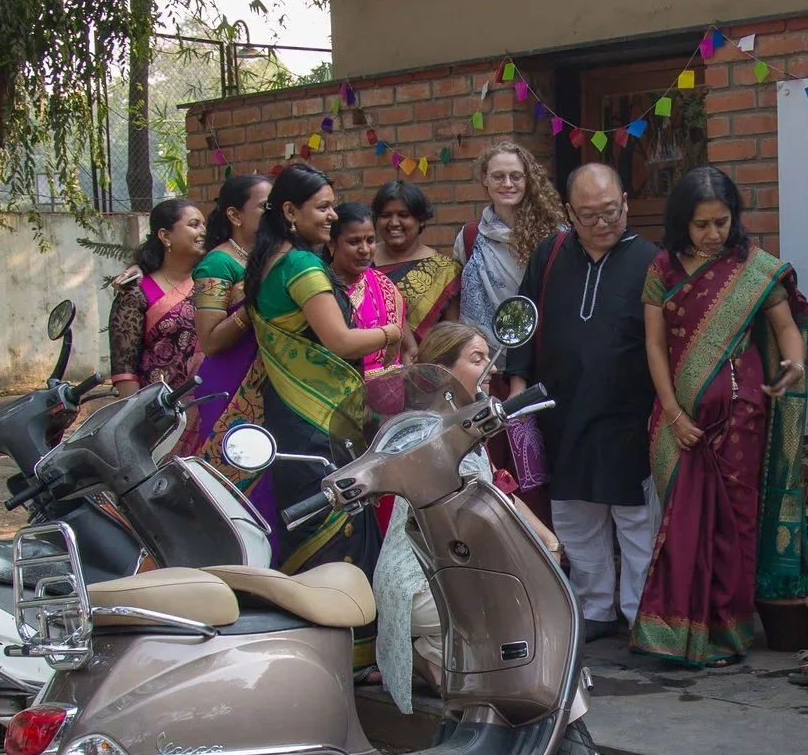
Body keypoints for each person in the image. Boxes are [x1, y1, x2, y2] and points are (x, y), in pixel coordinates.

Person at [635, 167, 807, 667]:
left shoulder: (754, 269)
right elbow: (653, 343)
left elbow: (786, 327)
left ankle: (728, 634)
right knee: (682, 521)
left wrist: (793, 361)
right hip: (679, 419)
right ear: (681, 224)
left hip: (739, 418)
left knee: (734, 523)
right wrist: (672, 413)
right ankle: (674, 633)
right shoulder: (662, 270)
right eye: (702, 225)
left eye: (722, 222)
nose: (714, 234)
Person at [505, 162, 660, 641]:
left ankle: (639, 614)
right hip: (561, 411)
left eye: (610, 212)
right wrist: (517, 382)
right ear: (569, 212)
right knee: (574, 513)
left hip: (629, 413)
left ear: (626, 203)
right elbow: (522, 321)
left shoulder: (653, 261)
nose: (601, 224)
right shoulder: (550, 254)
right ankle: (595, 608)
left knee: (636, 517)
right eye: (588, 215)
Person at [371, 322, 561, 712]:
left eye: (490, 359)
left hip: (450, 567)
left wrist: (549, 540)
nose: (492, 368)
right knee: (508, 604)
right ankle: (430, 656)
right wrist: (546, 542)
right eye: (478, 359)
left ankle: (429, 654)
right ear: (441, 370)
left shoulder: (460, 420)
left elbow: (493, 491)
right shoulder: (427, 429)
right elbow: (486, 500)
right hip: (418, 582)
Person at [228, 164, 407, 572]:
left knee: (306, 520)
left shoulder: (267, 263)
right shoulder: (302, 267)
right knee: (339, 528)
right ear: (291, 212)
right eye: (323, 207)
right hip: (321, 423)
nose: (331, 215)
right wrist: (391, 333)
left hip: (287, 418)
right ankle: (351, 628)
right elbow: (339, 340)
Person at [186, 172, 269, 457]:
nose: (273, 214)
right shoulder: (217, 264)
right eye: (264, 207)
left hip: (272, 385)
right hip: (230, 386)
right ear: (235, 215)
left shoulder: (272, 257)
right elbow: (209, 342)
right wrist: (253, 304)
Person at [454, 140, 564, 331]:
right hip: (484, 352)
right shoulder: (470, 236)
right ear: (485, 178)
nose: (507, 184)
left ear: (527, 179)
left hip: (543, 345)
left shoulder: (555, 234)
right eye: (498, 176)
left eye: (516, 176)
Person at [106, 197, 205, 398]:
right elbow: (125, 369)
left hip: (213, 404)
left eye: (204, 225)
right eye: (194, 225)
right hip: (161, 412)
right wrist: (137, 418)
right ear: (165, 236)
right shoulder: (137, 292)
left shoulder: (213, 282)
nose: (203, 231)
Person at [373, 178, 464, 339]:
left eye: (403, 215)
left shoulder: (445, 271)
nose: (394, 223)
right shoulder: (361, 260)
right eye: (385, 215)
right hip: (357, 360)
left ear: (421, 220)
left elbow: (451, 337)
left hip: (419, 362)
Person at [330, 200, 407, 377]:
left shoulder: (384, 285)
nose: (365, 250)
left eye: (370, 240)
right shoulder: (320, 288)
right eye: (354, 242)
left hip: (388, 394)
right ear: (332, 244)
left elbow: (399, 353)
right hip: (338, 393)